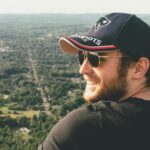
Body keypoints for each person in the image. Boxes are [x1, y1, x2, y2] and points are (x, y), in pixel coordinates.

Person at [38, 12, 150, 150]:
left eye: (94, 58)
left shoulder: (87, 129)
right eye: (82, 56)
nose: (83, 69)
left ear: (139, 68)